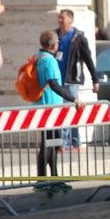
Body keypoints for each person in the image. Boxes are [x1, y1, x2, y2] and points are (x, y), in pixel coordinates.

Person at [35, 31, 85, 179]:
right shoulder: (49, 61)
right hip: (50, 106)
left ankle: (52, 177)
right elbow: (54, 85)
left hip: (43, 105)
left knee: (51, 143)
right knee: (48, 145)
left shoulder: (39, 56)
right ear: (53, 45)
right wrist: (73, 99)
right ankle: (44, 178)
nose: (58, 45)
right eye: (57, 42)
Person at [55, 9, 100, 151]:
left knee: (71, 110)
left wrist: (95, 79)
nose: (60, 20)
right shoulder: (55, 35)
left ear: (70, 20)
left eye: (62, 18)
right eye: (59, 18)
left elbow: (88, 59)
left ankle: (73, 142)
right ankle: (65, 142)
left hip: (72, 80)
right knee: (62, 111)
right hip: (58, 80)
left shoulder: (78, 37)